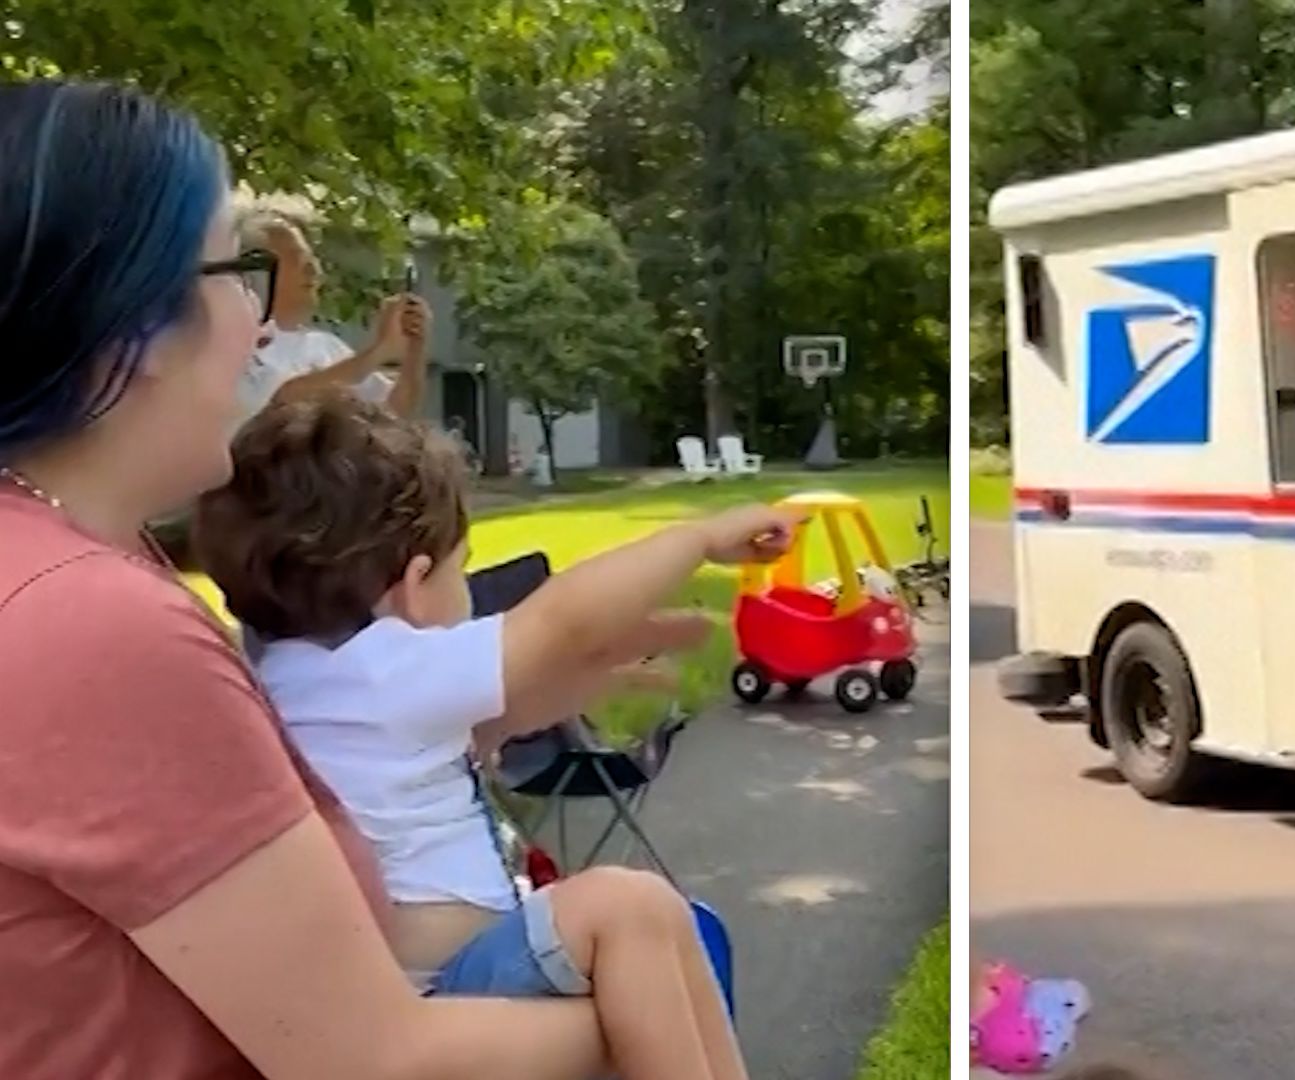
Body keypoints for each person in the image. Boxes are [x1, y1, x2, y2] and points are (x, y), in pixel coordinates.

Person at [0, 78, 790, 1080]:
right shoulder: (88, 620)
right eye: (240, 273)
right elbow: (371, 1062)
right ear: (128, 330)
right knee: (641, 913)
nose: (260, 329)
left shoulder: (77, 561)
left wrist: (500, 716)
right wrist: (655, 1012)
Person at [193, 392, 785, 1080]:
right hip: (449, 992)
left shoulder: (278, 669)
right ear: (416, 586)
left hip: (390, 993)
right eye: (462, 568)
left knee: (650, 919)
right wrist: (700, 540)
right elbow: (564, 621)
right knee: (634, 906)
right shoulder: (388, 667)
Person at [234, 207, 430, 427]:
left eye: (312, 259)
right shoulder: (234, 345)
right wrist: (379, 351)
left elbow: (393, 411)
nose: (313, 270)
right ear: (257, 270)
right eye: (296, 258)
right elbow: (285, 400)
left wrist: (414, 348)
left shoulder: (326, 348)